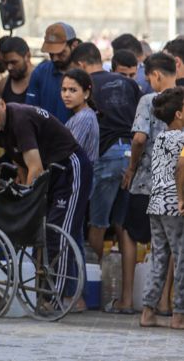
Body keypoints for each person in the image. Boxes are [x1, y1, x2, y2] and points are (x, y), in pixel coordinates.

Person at [0, 89, 92, 303]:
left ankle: (58, 298)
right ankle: (73, 297)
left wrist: (25, 202)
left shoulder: (20, 119)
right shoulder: (0, 129)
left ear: (2, 104)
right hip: (51, 171)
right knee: (51, 233)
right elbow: (20, 163)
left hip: (70, 167)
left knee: (58, 233)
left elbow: (35, 168)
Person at [70, 42, 141, 295]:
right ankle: (126, 296)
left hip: (107, 156)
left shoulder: (88, 86)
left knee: (98, 223)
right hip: (131, 156)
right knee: (123, 226)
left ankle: (92, 291)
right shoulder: (129, 84)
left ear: (80, 64)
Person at [120, 52, 177, 314]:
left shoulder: (149, 100)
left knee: (131, 234)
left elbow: (139, 139)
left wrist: (131, 168)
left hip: (145, 181)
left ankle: (127, 298)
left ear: (156, 75)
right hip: (175, 185)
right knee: (169, 243)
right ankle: (165, 302)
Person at [140, 87, 184, 329]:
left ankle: (148, 311)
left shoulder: (160, 138)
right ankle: (179, 314)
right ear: (179, 114)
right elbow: (181, 168)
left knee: (159, 258)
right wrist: (180, 197)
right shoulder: (183, 139)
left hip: (156, 203)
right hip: (175, 205)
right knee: (181, 258)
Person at [26, 22, 80, 123]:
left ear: (74, 45)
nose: (55, 58)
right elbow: (30, 111)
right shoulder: (40, 73)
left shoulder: (84, 75)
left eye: (61, 54)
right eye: (51, 54)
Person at [61, 68, 99, 164]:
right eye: (64, 89)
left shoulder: (84, 117)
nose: (66, 95)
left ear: (86, 93)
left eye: (72, 90)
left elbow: (70, 153)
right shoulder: (82, 115)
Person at [0, 36, 33, 105]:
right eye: (6, 63)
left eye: (14, 62)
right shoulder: (2, 85)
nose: (9, 67)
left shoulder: (42, 81)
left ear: (27, 56)